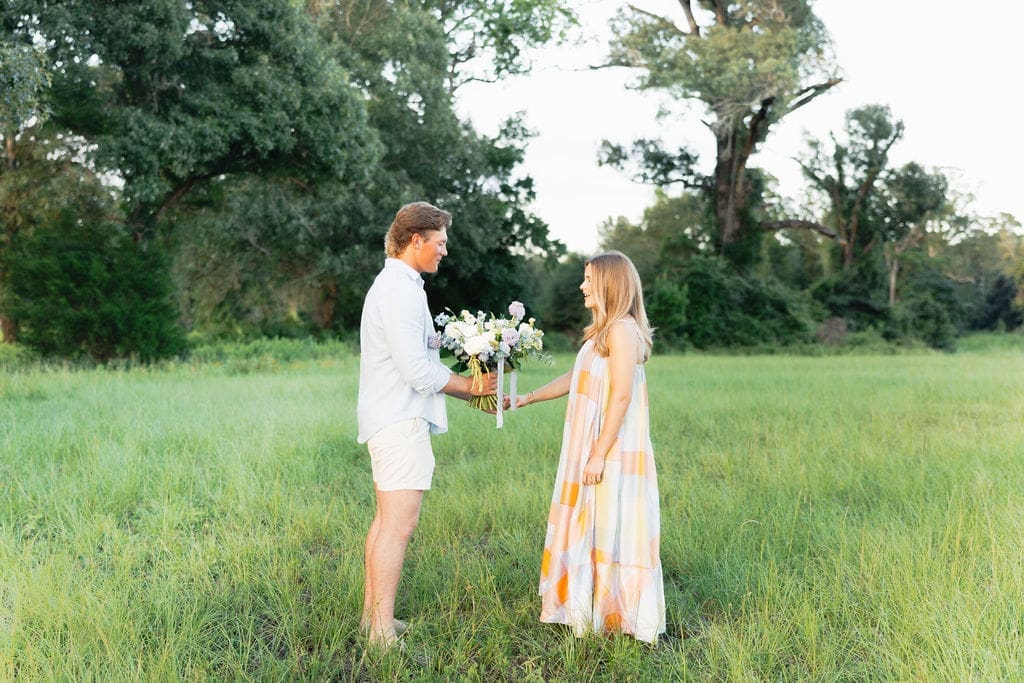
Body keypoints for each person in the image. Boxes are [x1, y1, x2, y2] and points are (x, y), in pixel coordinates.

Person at [357, 201, 497, 650]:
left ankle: (374, 619)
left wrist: (470, 390)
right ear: (415, 240)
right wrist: (472, 387)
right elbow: (417, 372)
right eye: (439, 243)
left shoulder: (402, 285)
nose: (445, 251)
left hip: (395, 417)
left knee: (385, 524)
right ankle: (379, 632)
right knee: (397, 527)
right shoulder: (398, 290)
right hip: (399, 421)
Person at [512, 250, 665, 643]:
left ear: (609, 284)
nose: (582, 286)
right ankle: (587, 606)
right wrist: (527, 398)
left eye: (589, 279)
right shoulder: (605, 330)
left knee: (608, 522)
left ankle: (616, 613)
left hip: (611, 449)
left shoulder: (622, 330)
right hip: (593, 443)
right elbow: (574, 377)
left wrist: (598, 453)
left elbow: (621, 397)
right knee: (592, 521)